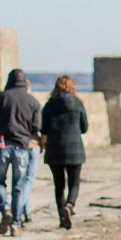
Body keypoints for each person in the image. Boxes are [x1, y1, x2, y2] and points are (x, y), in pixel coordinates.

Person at [0, 68, 42, 235]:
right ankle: (16, 225)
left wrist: (0, 126)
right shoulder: (33, 101)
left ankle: (5, 208)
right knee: (19, 186)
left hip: (3, 144)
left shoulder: (2, 97)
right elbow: (37, 127)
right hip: (22, 147)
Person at [40, 75, 89, 230]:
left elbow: (43, 128)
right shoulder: (78, 104)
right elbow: (85, 127)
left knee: (59, 185)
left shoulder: (49, 105)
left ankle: (62, 217)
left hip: (55, 149)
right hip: (75, 149)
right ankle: (69, 205)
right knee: (74, 182)